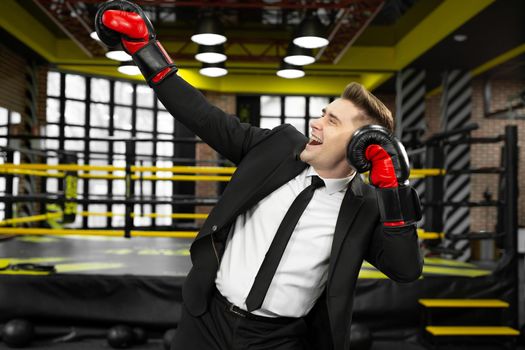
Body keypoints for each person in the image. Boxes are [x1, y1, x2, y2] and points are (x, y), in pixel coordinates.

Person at [95, 2, 423, 349]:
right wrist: (146, 52)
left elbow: (406, 270)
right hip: (206, 319)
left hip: (276, 339)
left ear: (361, 145)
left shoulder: (366, 206)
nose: (316, 122)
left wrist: (392, 188)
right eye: (323, 113)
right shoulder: (278, 147)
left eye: (332, 121)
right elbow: (204, 117)